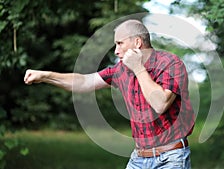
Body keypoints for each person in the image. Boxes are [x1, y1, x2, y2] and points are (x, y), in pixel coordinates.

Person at [24, 19, 195, 169]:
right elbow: (84, 82)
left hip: (170, 158)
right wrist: (46, 76)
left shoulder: (170, 63)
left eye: (120, 43)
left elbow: (160, 104)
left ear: (137, 42)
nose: (116, 51)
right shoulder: (120, 70)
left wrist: (138, 68)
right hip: (139, 158)